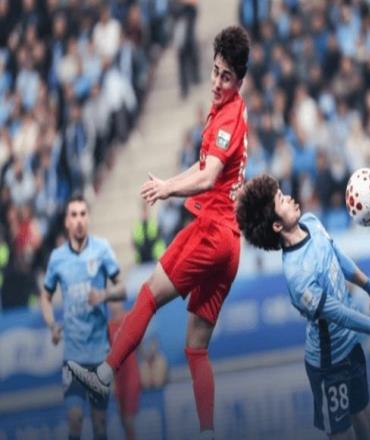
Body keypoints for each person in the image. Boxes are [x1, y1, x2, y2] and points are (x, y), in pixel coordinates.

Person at [68, 26, 250, 439]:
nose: (217, 82)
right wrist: (169, 181)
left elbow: (209, 176)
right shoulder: (230, 109)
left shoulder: (227, 116)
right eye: (215, 71)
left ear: (239, 81)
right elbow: (204, 167)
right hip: (229, 244)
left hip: (211, 232)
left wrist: (168, 190)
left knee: (148, 295)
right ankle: (208, 433)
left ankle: (104, 375)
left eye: (226, 77)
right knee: (196, 348)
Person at [236, 174, 370, 440]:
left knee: (364, 423)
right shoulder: (297, 276)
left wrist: (369, 287)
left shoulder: (311, 222)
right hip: (329, 366)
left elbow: (336, 255)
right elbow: (339, 314)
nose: (290, 198)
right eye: (281, 199)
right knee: (343, 435)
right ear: (277, 226)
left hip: (352, 348)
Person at [40, 194, 125, 440]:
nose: (78, 220)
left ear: (88, 218)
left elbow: (122, 288)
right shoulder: (57, 258)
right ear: (67, 221)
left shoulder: (102, 250)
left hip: (100, 355)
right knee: (75, 420)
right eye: (74, 215)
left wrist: (104, 295)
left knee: (100, 426)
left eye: (82, 214)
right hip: (73, 357)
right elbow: (45, 297)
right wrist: (52, 325)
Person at [108, 302, 141, 440]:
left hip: (131, 376)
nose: (114, 305)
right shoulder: (108, 327)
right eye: (111, 302)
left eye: (116, 301)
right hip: (119, 379)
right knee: (123, 420)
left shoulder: (130, 318)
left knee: (128, 420)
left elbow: (139, 345)